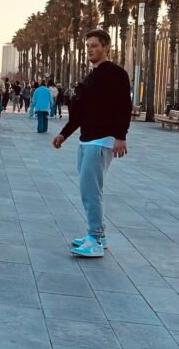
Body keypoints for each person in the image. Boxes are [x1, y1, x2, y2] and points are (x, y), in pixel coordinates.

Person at [52, 29, 131, 258]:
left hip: (102, 140)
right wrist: (64, 134)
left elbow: (123, 106)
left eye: (95, 45)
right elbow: (80, 113)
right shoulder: (90, 77)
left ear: (106, 47)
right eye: (87, 46)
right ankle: (100, 235)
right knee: (90, 189)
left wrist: (120, 136)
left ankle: (94, 239)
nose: (90, 50)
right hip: (87, 139)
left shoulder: (116, 74)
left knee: (90, 190)